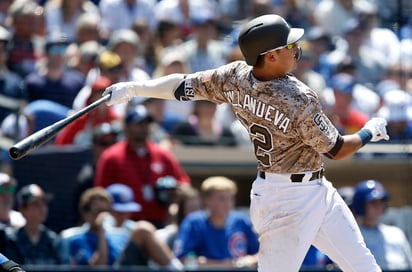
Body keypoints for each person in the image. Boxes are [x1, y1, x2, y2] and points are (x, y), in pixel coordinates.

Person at [102, 14, 391, 271]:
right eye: (289, 45)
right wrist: (369, 131)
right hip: (287, 201)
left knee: (362, 264)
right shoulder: (297, 97)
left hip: (311, 189)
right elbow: (338, 150)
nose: (296, 49)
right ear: (270, 55)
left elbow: (182, 85)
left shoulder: (234, 76)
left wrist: (134, 88)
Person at [94, 104, 191, 228]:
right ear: (127, 127)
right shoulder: (111, 156)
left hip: (160, 222)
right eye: (139, 123)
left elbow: (184, 184)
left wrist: (175, 193)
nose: (144, 127)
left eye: (146, 123)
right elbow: (100, 193)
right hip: (124, 224)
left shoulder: (162, 154)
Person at [173, 176, 259, 268]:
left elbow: (260, 253)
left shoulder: (241, 221)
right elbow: (182, 258)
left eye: (230, 198)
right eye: (222, 199)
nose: (228, 204)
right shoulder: (194, 222)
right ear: (207, 200)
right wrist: (222, 265)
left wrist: (248, 261)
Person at [351, 180, 412, 270]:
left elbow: (409, 263)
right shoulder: (354, 235)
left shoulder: (396, 232)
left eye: (381, 202)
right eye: (373, 202)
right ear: (360, 205)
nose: (378, 206)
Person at [4, 184, 61, 265]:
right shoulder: (11, 240)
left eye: (44, 203)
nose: (42, 208)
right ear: (22, 210)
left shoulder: (53, 240)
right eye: (36, 204)